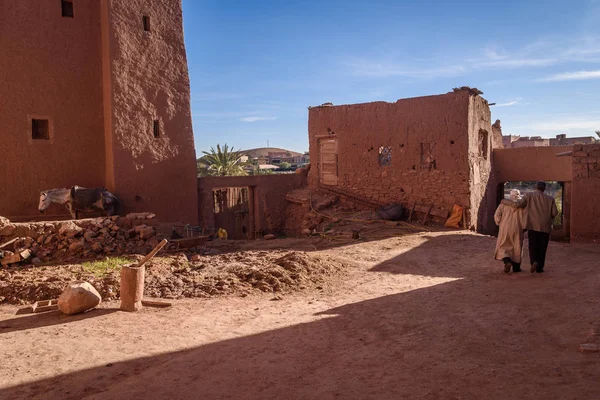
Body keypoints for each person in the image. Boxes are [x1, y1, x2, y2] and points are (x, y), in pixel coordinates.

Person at [502, 181, 558, 273]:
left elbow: (518, 204)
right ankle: (539, 268)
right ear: (544, 189)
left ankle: (534, 262)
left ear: (535, 187)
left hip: (532, 225)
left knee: (533, 246)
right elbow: (554, 213)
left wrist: (504, 201)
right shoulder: (550, 199)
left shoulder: (528, 196)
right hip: (545, 227)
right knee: (542, 247)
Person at [494, 189, 526, 273]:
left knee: (504, 246)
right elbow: (526, 217)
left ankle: (507, 261)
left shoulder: (503, 205)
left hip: (505, 228)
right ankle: (516, 268)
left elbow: (497, 215)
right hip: (518, 228)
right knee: (517, 247)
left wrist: (499, 223)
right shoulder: (523, 205)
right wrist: (525, 227)